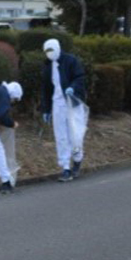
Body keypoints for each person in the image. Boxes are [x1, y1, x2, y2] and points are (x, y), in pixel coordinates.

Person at [41, 38, 87, 182]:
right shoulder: (48, 67)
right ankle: (65, 167)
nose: (49, 53)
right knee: (61, 136)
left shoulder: (70, 61)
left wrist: (73, 87)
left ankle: (77, 160)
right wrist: (46, 109)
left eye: (51, 50)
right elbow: (46, 90)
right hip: (58, 104)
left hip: (72, 103)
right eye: (47, 51)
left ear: (58, 48)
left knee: (75, 135)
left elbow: (80, 77)